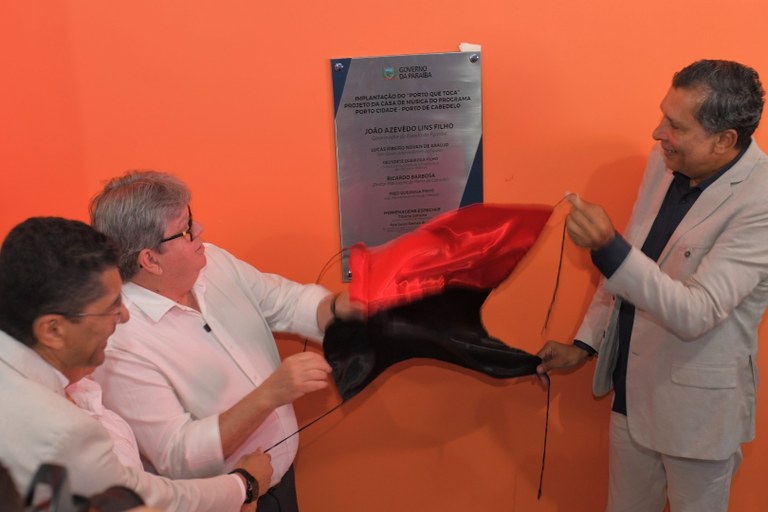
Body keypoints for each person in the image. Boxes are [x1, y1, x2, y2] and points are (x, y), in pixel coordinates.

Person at [537, 59, 768, 512]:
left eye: (676, 126)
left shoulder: (760, 201)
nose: (657, 133)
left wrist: (607, 245)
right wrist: (585, 344)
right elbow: (635, 256)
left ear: (725, 140)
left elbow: (697, 311)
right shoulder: (662, 163)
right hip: (632, 392)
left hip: (697, 416)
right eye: (664, 115)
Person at [89, 170, 362, 512]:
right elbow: (178, 454)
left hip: (279, 481)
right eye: (186, 229)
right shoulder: (120, 341)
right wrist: (269, 395)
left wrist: (338, 308)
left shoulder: (212, 262)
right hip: (227, 502)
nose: (200, 230)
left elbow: (285, 302)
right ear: (150, 260)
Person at [0, 217, 273, 511]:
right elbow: (144, 498)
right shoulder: (63, 432)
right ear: (52, 330)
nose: (125, 316)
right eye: (110, 308)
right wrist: (242, 484)